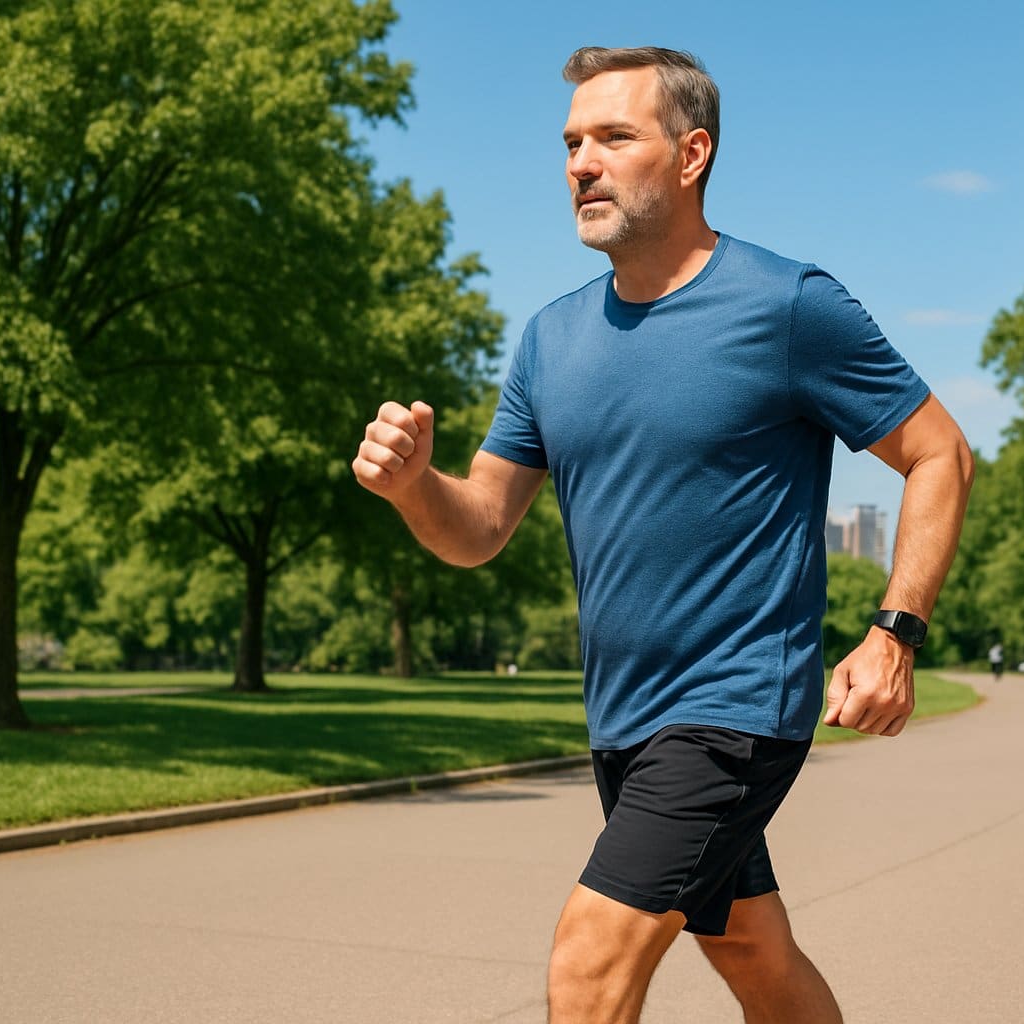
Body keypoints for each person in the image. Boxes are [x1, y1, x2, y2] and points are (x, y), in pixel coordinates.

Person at [351, 46, 973, 1024]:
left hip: (734, 707)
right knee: (752, 952)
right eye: (569, 143)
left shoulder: (788, 305)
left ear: (691, 155)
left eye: (611, 138)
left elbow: (940, 452)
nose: (579, 163)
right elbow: (477, 529)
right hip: (623, 718)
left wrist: (895, 631)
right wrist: (413, 485)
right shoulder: (550, 340)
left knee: (589, 962)